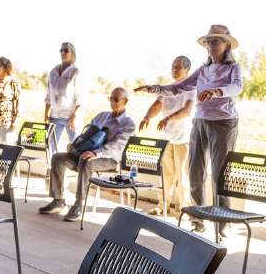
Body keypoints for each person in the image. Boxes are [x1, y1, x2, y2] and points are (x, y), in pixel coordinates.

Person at [134, 25, 243, 231]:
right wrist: (154, 88)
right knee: (195, 171)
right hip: (200, 122)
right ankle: (197, 220)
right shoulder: (203, 70)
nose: (211, 45)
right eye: (209, 42)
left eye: (216, 41)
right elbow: (178, 88)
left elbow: (237, 87)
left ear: (227, 45)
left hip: (224, 123)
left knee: (220, 173)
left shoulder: (233, 68)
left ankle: (222, 226)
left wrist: (217, 92)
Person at [39, 87, 136, 223]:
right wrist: (76, 145)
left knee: (87, 161)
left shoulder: (128, 124)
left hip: (109, 159)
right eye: (111, 98)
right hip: (86, 153)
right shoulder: (101, 116)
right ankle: (58, 200)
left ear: (125, 101)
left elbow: (117, 145)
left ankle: (78, 204)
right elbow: (87, 134)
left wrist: (97, 152)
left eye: (116, 99)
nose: (112, 102)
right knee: (58, 158)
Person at [136, 56, 194, 216]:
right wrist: (147, 117)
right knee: (166, 174)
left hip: (184, 138)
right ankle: (163, 206)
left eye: (178, 67)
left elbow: (187, 110)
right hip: (168, 138)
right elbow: (157, 104)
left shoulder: (191, 87)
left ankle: (185, 210)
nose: (174, 70)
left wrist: (168, 118)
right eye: (173, 66)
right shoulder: (169, 87)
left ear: (187, 69)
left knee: (183, 177)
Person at [44, 42, 80, 152]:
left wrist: (74, 116)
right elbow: (49, 95)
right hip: (55, 116)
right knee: (51, 146)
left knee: (76, 147)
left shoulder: (76, 71)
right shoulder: (53, 72)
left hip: (70, 117)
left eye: (66, 50)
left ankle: (78, 169)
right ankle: (51, 168)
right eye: (61, 50)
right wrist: (46, 114)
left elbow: (80, 97)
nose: (63, 52)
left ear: (72, 53)